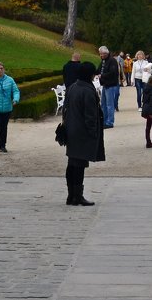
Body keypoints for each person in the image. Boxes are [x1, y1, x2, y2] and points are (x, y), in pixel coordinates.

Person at [63, 61, 105, 206]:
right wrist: (93, 133)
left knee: (72, 164)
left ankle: (71, 195)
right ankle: (77, 197)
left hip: (71, 130)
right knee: (79, 165)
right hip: (82, 132)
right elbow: (90, 116)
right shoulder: (87, 90)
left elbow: (65, 110)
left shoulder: (72, 87)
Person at [98, 45, 121, 128]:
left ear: (106, 53)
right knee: (103, 104)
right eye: (100, 54)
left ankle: (110, 122)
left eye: (102, 54)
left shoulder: (112, 61)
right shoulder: (103, 61)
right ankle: (104, 121)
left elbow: (113, 73)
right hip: (105, 85)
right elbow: (98, 69)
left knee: (109, 105)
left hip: (110, 85)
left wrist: (102, 76)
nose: (101, 55)